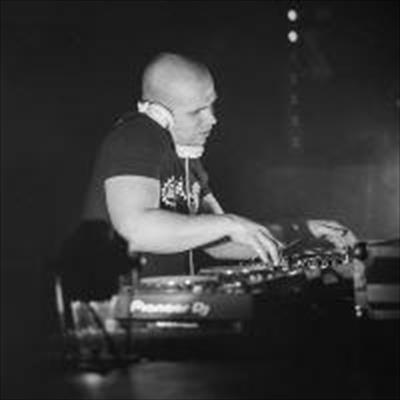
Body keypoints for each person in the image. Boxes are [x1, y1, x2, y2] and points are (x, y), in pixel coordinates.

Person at [56, 52, 358, 302]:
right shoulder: (136, 137)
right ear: (160, 114)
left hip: (168, 309)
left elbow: (219, 241)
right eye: (196, 112)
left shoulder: (187, 157)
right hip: (117, 320)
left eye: (211, 104)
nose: (211, 119)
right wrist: (230, 223)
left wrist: (301, 233)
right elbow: (136, 228)